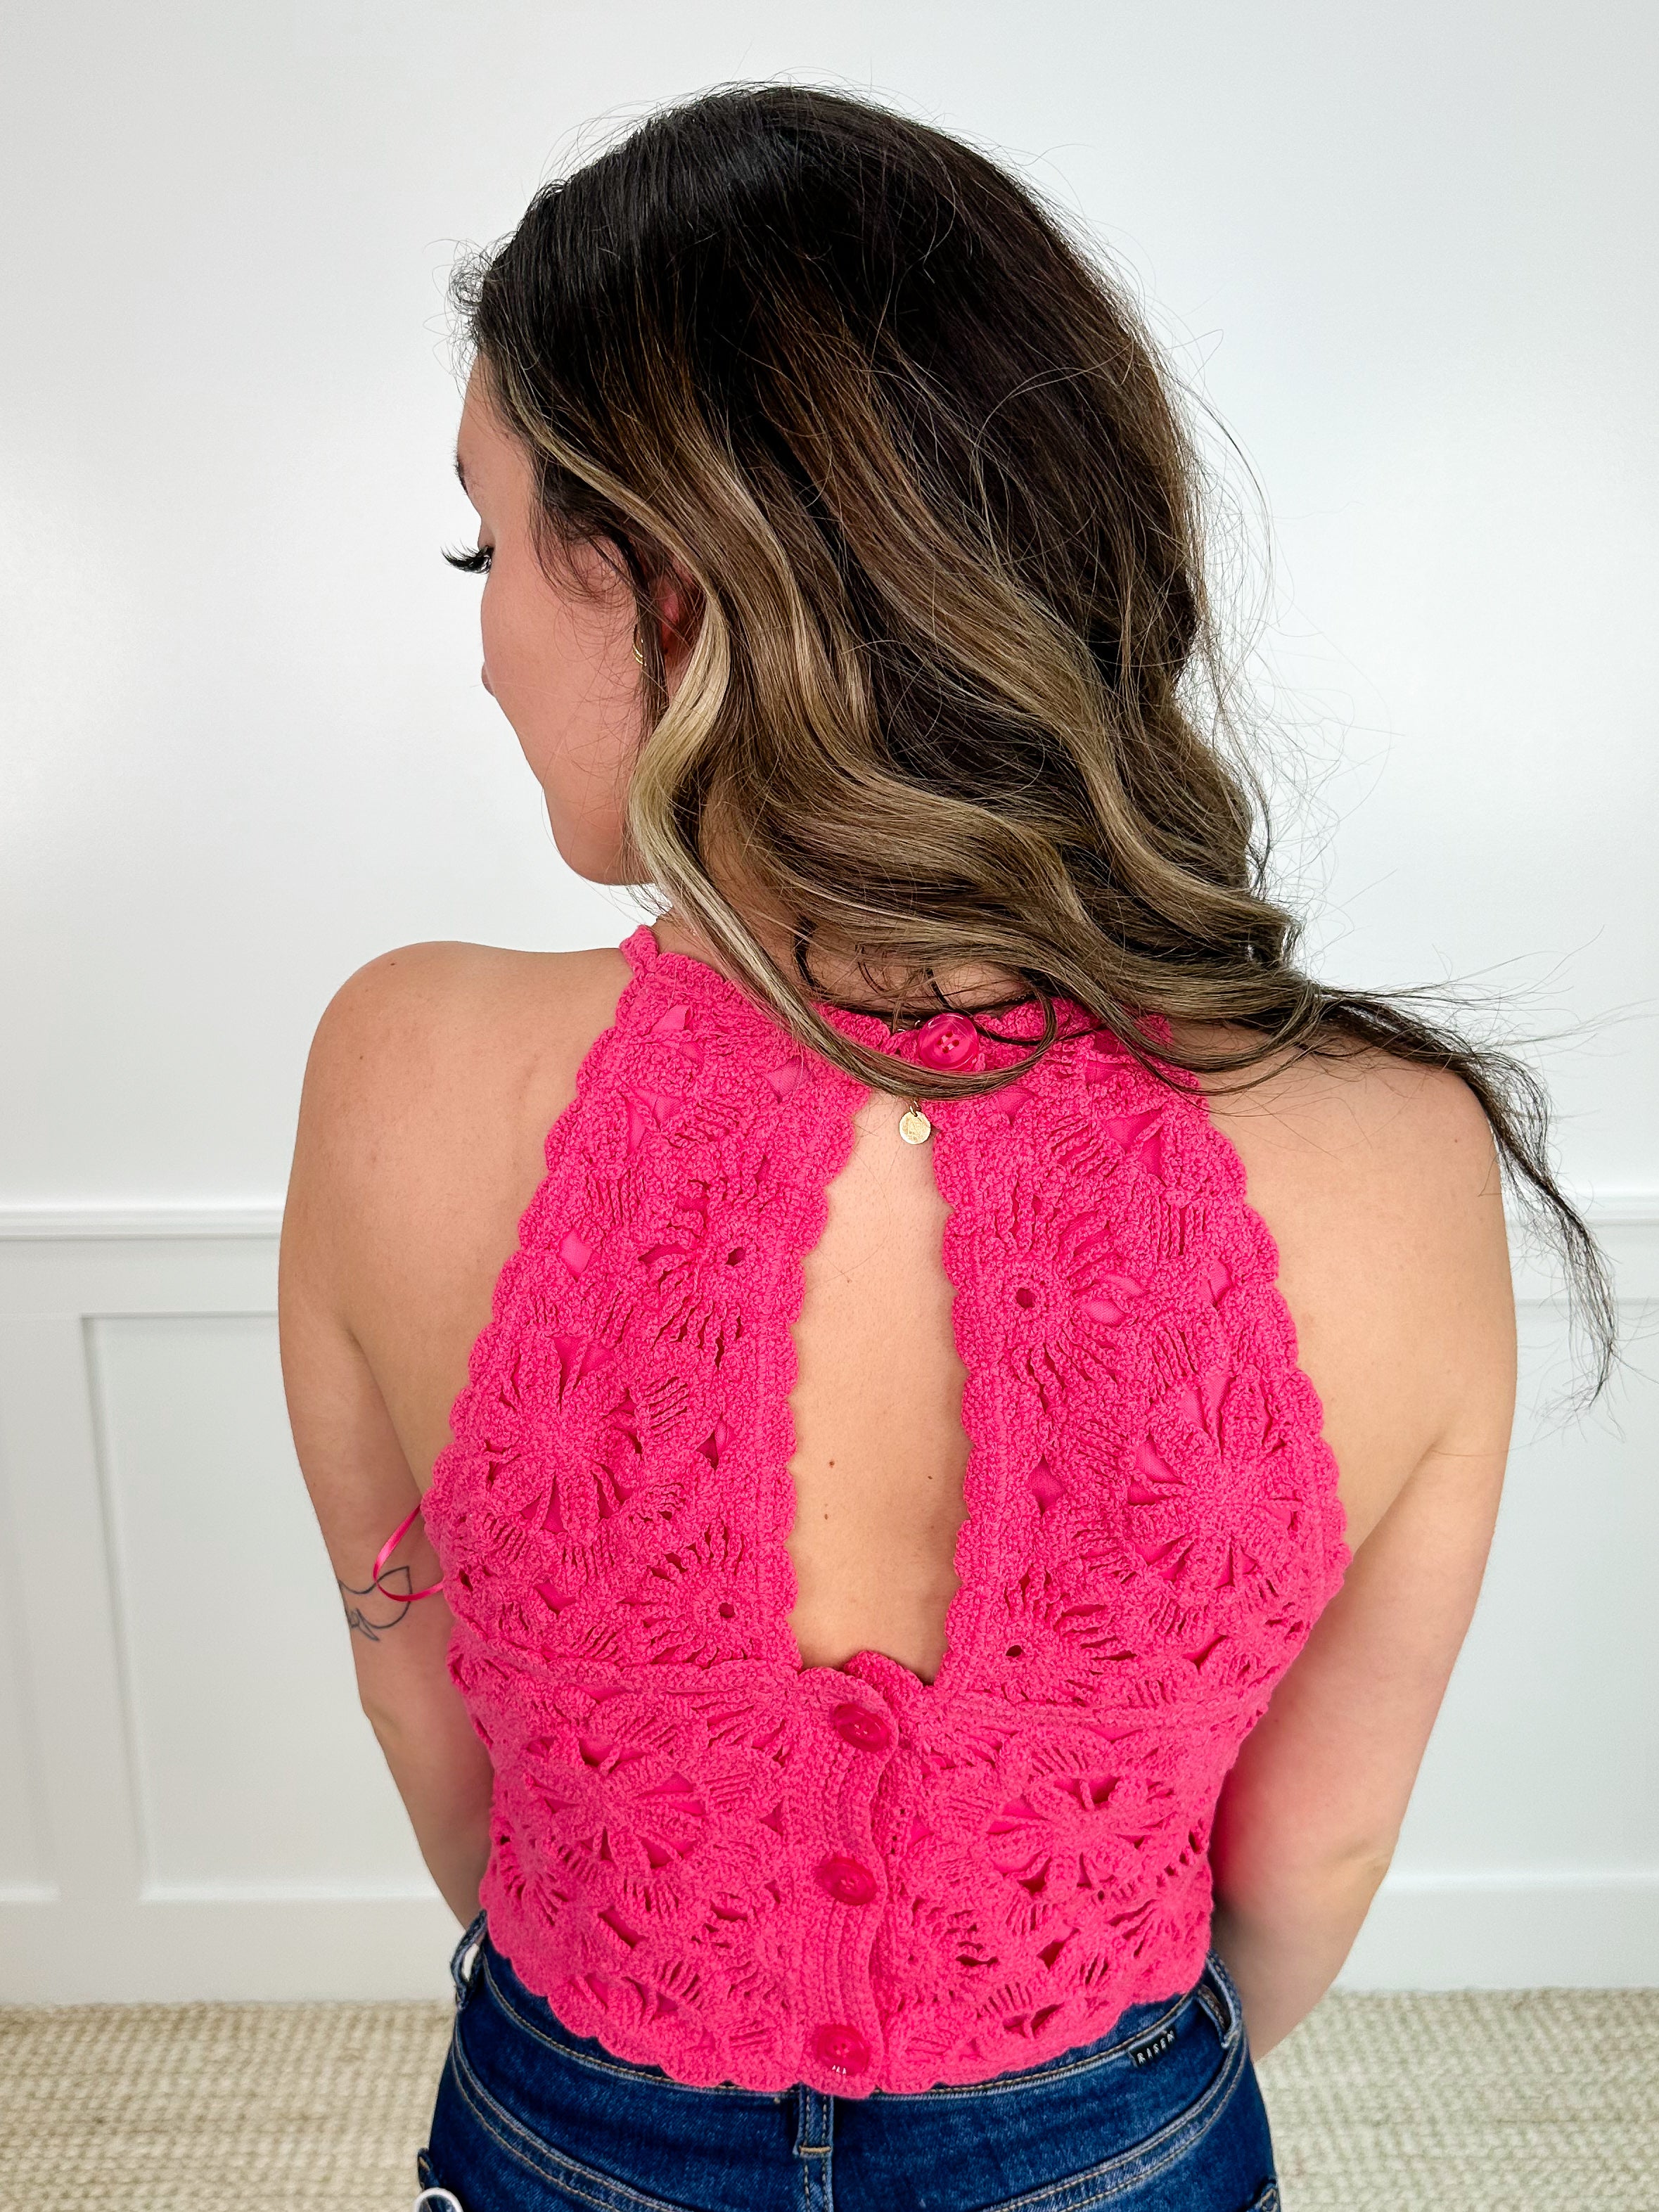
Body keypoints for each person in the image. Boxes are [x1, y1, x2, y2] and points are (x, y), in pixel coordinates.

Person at [278, 84, 1612, 2212]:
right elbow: (1315, 1858)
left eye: (490, 543)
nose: (485, 638)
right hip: (1109, 2136)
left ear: (672, 584)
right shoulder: (1396, 1152)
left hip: (572, 2110)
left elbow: (430, 1714)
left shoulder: (395, 1067)